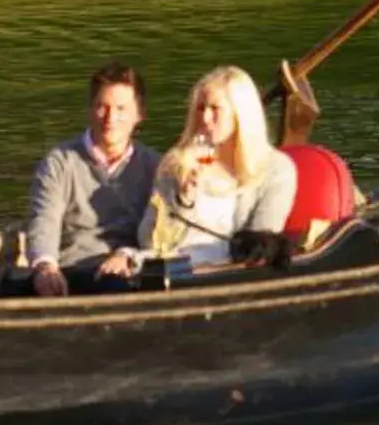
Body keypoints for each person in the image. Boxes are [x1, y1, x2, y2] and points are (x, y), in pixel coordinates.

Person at [25, 62, 161, 296]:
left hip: (131, 271)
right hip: (72, 272)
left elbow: (163, 235)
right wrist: (45, 266)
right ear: (90, 109)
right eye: (102, 106)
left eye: (121, 109)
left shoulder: (155, 166)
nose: (110, 118)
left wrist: (129, 256)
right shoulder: (60, 163)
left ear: (139, 115)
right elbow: (44, 221)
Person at [151, 66, 297, 267]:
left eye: (215, 109)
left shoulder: (277, 170)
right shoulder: (176, 163)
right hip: (171, 266)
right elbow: (148, 239)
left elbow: (261, 242)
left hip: (226, 272)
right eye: (201, 108)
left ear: (240, 114)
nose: (204, 118)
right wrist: (183, 201)